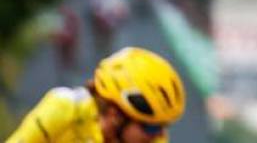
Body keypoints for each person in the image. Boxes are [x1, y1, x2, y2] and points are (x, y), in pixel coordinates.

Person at [5, 46, 186, 143]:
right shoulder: (63, 108)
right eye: (151, 127)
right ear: (116, 115)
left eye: (163, 126)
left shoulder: (153, 141)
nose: (159, 135)